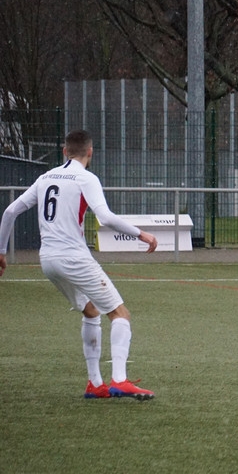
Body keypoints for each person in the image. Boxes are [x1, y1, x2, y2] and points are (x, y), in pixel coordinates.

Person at [0, 129, 157, 399]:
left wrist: (1, 250)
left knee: (91, 311)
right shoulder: (86, 178)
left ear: (64, 151)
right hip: (74, 257)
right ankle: (119, 380)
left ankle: (95, 384)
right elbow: (105, 218)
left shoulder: (45, 177)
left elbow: (10, 211)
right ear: (90, 152)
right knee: (120, 314)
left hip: (48, 260)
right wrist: (141, 234)